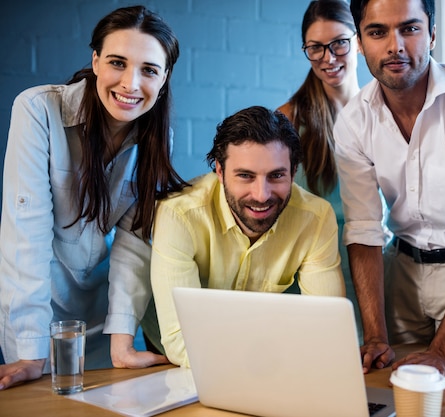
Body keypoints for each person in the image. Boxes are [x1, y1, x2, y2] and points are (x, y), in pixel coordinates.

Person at [0, 5, 188, 390]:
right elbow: (26, 233)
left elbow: (134, 242)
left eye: (149, 70)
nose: (131, 84)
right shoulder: (37, 110)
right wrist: (31, 349)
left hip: (105, 314)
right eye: (118, 62)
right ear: (96, 60)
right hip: (36, 314)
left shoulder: (157, 139)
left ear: (165, 78)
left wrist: (122, 341)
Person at [334, 0, 445, 378]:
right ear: (361, 42)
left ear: (432, 33)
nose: (395, 46)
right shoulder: (353, 120)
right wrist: (375, 335)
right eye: (378, 32)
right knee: (390, 389)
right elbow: (364, 229)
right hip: (400, 269)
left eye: (410, 29)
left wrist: (441, 352)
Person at [150, 106, 345, 367]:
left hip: (261, 350)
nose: (262, 195)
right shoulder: (179, 214)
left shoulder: (316, 218)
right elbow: (181, 340)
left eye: (276, 175)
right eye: (245, 176)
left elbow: (326, 328)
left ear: (294, 171)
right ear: (219, 171)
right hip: (175, 351)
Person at [277, 0, 362, 338]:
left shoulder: (380, 112)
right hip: (309, 272)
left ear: (357, 40)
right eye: (315, 48)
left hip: (373, 268)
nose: (329, 58)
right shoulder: (288, 119)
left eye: (339, 43)